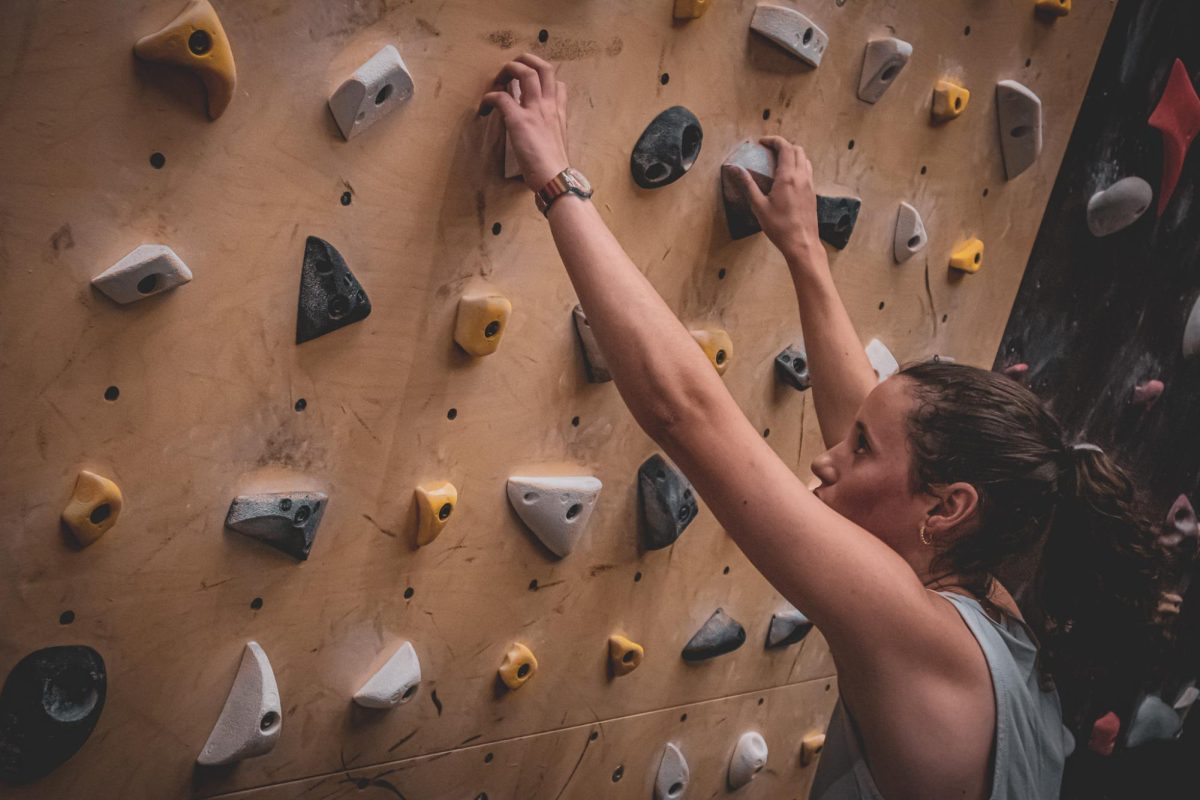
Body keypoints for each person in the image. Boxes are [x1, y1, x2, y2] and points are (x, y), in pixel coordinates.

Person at [480, 54, 1163, 799]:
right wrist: (803, 251)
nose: (828, 457)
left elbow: (688, 414)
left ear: (947, 506)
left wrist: (557, 180)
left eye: (859, 449)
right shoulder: (991, 611)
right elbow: (870, 420)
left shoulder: (921, 633)